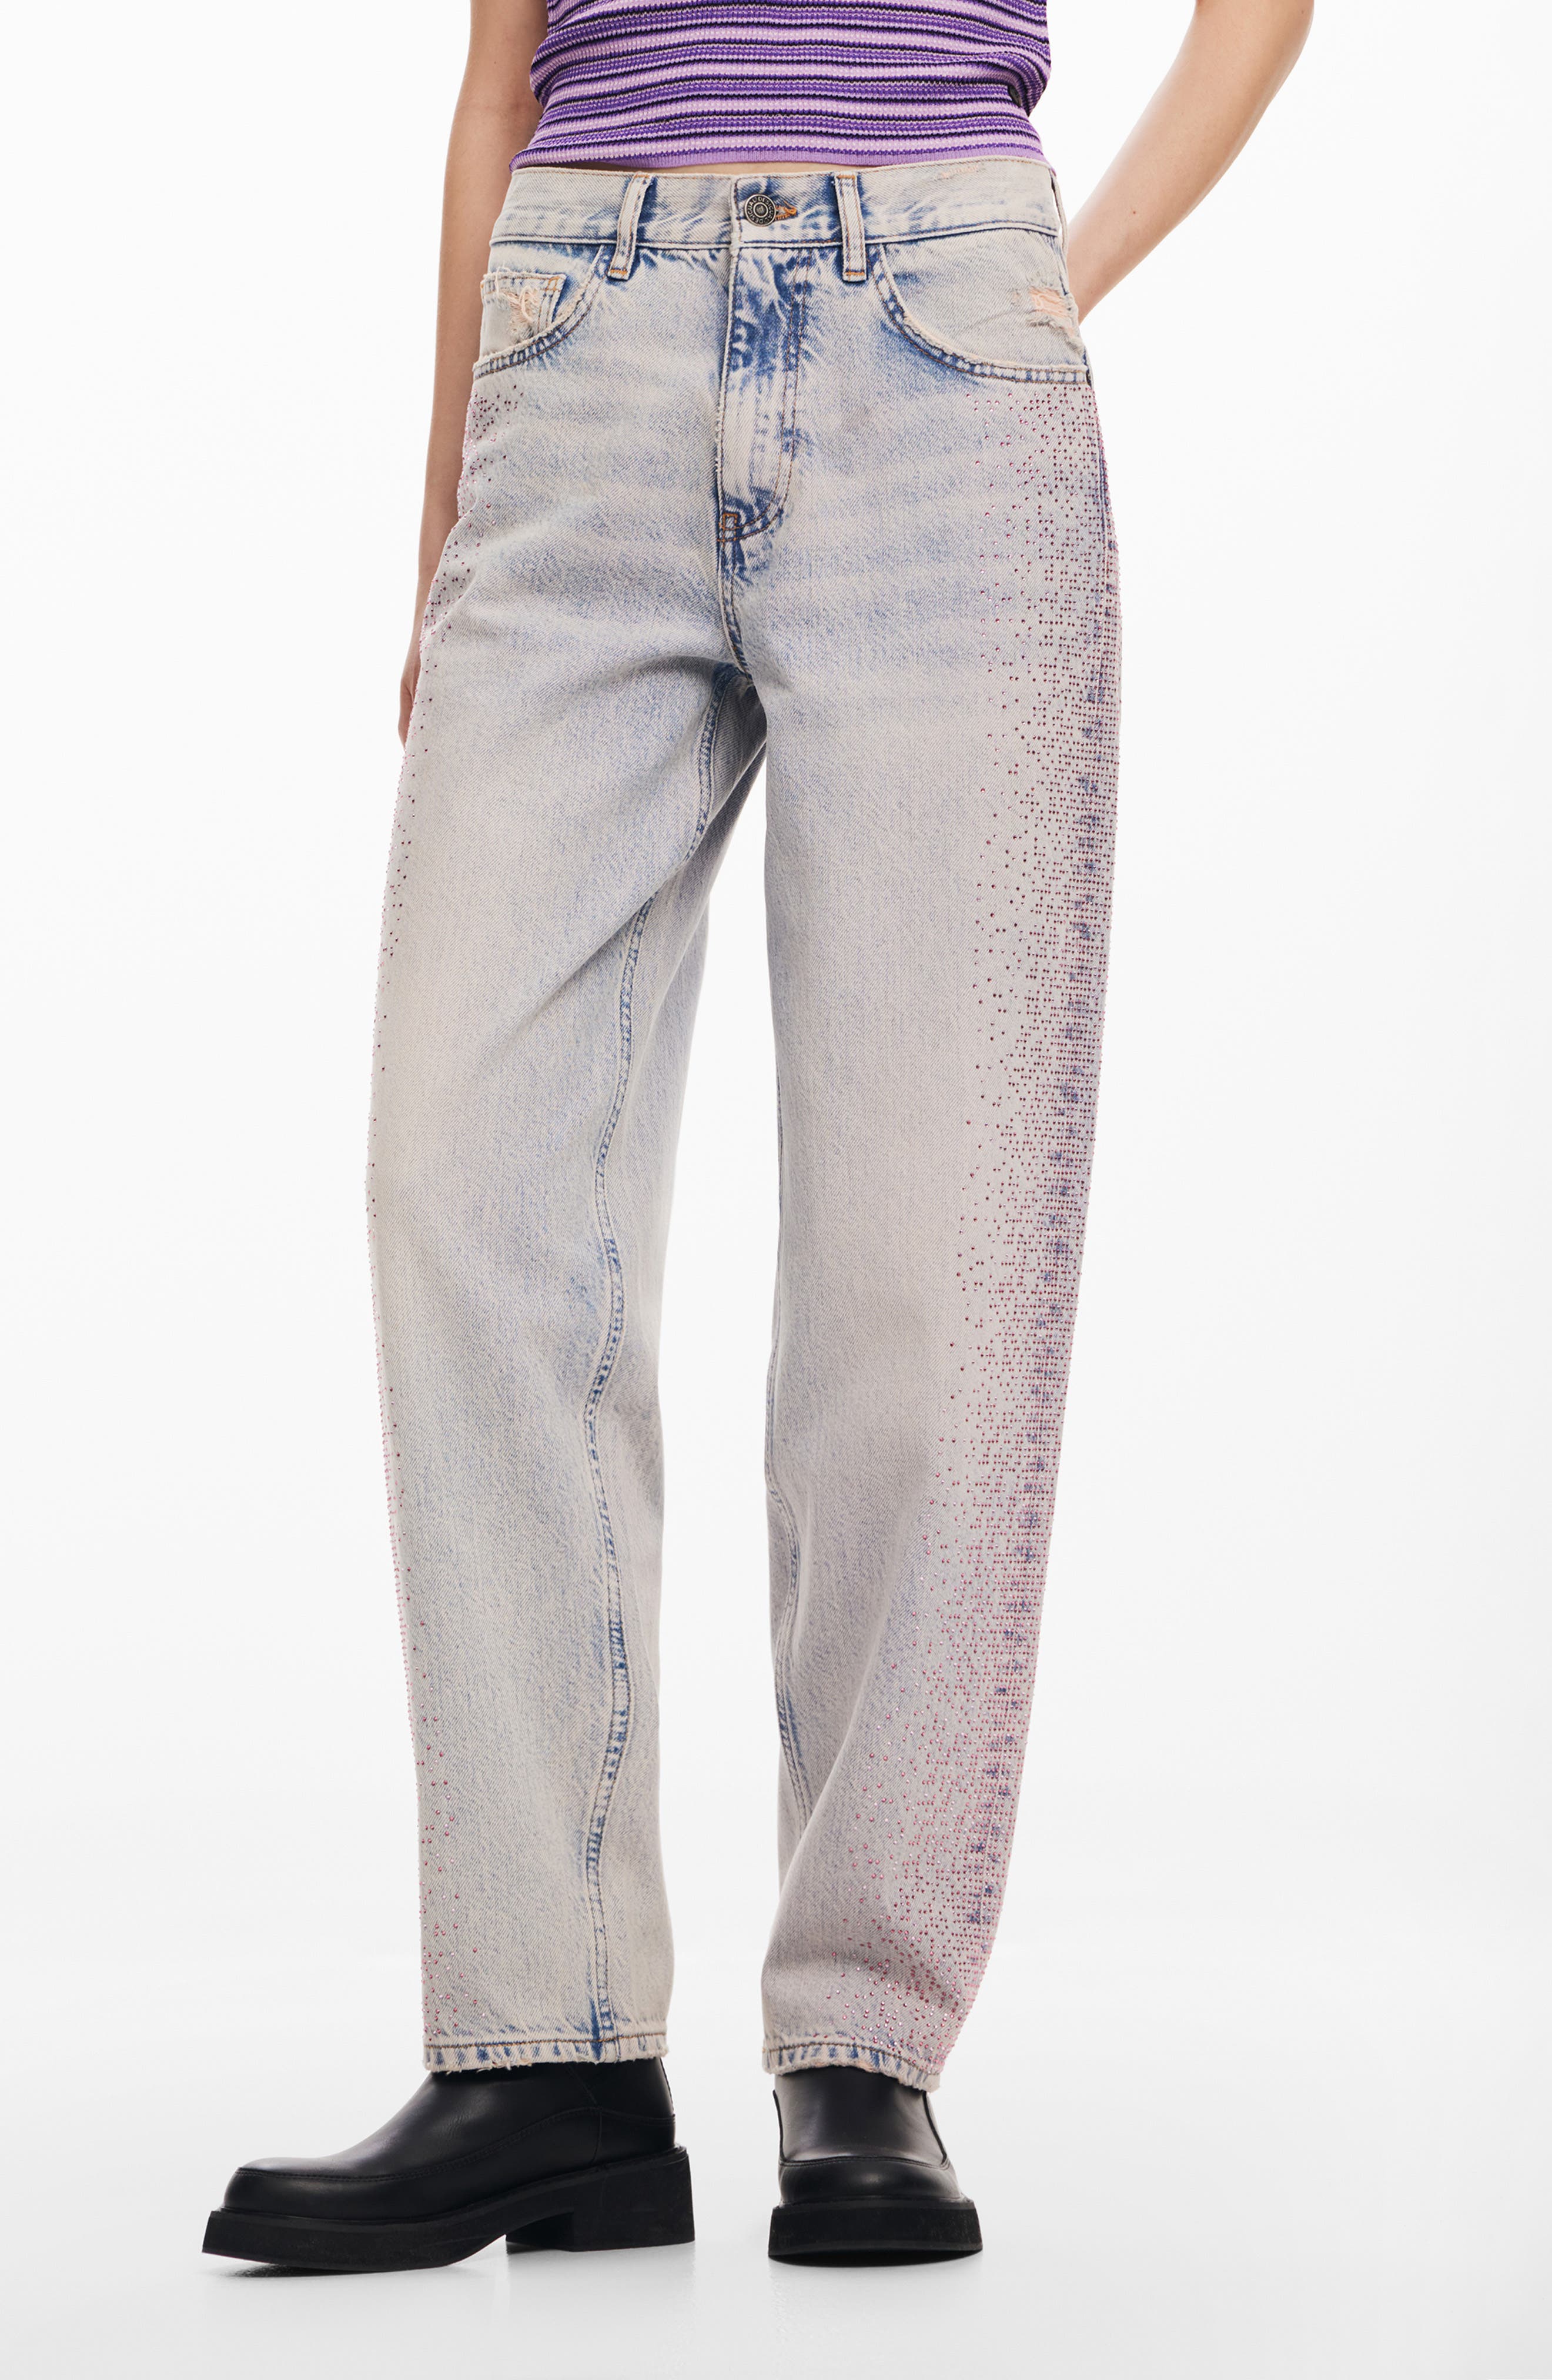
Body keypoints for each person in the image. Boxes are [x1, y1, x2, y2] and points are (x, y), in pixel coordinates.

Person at [204, 0, 1312, 2273]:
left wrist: (1047, 280)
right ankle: (552, 2055)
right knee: (461, 1185)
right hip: (575, 342)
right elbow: (499, 71)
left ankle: (866, 2043)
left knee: (929, 1256)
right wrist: (443, 517)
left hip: (946, 345)